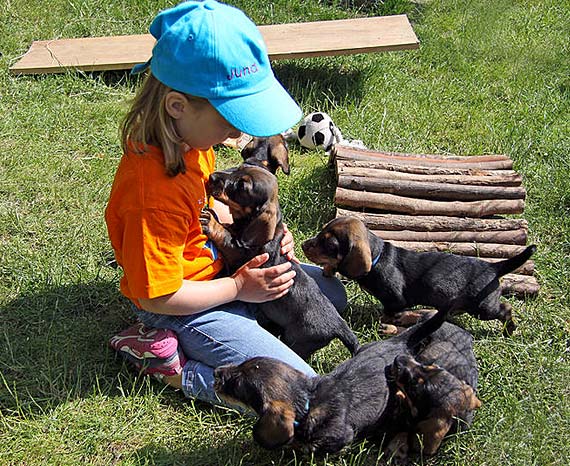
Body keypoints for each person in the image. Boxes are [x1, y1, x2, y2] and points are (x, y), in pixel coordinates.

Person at [105, 0, 347, 407]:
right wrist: (238, 288)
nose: (239, 131)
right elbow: (155, 297)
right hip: (182, 306)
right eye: (231, 117)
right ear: (177, 106)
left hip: (219, 265)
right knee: (301, 395)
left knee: (332, 299)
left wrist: (266, 239)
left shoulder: (191, 142)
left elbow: (208, 211)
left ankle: (249, 321)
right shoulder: (152, 197)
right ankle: (171, 365)